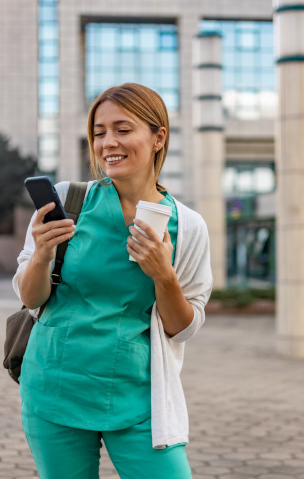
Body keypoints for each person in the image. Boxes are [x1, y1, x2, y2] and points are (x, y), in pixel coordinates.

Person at [12, 83, 213, 479]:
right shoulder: (68, 201)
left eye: (123, 129)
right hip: (55, 389)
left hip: (139, 399)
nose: (108, 143)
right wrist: (41, 254)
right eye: (99, 132)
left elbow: (183, 328)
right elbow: (31, 297)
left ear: (159, 137)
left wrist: (163, 274)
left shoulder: (188, 226)